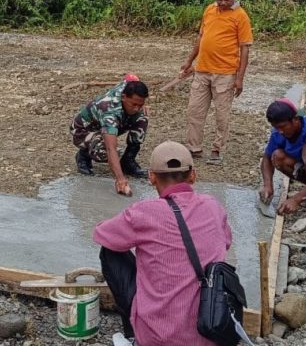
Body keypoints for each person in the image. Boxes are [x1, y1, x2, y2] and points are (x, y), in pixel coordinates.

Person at [93, 141, 232, 346]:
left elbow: (101, 234)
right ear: (193, 175)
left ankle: (134, 334)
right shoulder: (213, 206)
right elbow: (226, 242)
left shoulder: (143, 212)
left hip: (157, 337)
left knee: (110, 250)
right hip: (213, 327)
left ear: (151, 177)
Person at [181, 0, 253, 165]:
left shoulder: (241, 16)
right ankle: (194, 148)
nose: (222, 2)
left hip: (225, 73)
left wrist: (240, 78)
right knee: (194, 111)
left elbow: (244, 48)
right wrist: (189, 60)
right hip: (202, 70)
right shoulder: (209, 10)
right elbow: (201, 37)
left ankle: (217, 149)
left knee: (222, 114)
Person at [70, 74, 149, 195]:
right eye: (134, 104)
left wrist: (140, 107)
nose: (137, 108)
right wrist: (120, 179)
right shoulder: (109, 111)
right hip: (83, 130)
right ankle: (84, 154)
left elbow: (130, 77)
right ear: (123, 97)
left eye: (141, 104)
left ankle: (128, 161)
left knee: (142, 118)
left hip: (103, 124)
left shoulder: (130, 87)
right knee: (104, 151)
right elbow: (110, 148)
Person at [260, 98, 306, 214]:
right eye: (276, 127)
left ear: (295, 120)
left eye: (283, 126)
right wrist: (267, 185)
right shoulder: (278, 133)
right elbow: (267, 158)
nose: (279, 131)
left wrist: (296, 199)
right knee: (277, 156)